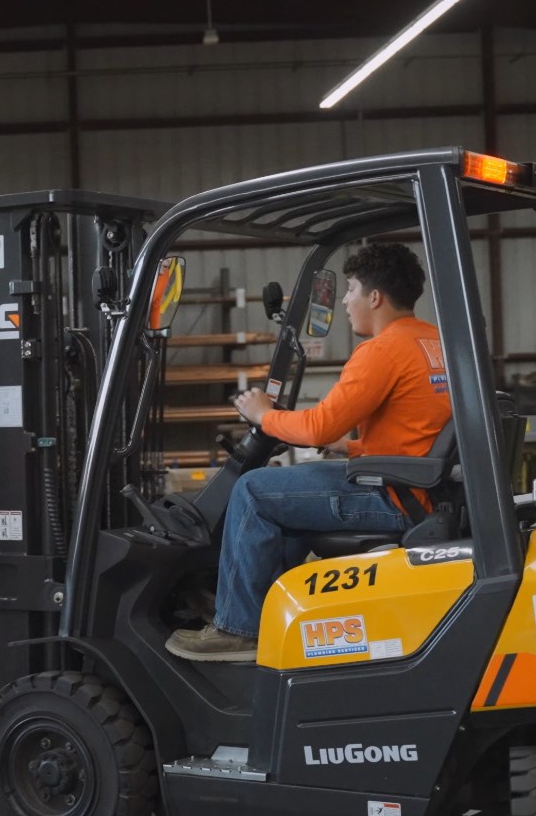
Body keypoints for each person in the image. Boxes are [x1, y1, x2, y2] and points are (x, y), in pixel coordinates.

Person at [167, 242, 451, 662]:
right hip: (421, 487)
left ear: (375, 297)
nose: (345, 301)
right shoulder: (435, 342)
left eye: (350, 289)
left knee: (253, 491)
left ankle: (237, 629)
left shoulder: (381, 351)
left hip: (392, 496)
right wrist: (347, 445)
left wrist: (263, 415)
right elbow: (419, 431)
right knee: (283, 500)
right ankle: (269, 612)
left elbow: (319, 425)